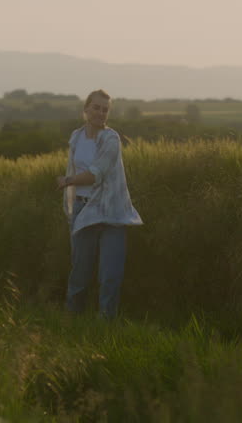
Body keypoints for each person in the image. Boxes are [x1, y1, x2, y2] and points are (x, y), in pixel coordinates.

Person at [56, 89, 143, 318]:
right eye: (96, 107)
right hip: (83, 209)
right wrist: (71, 195)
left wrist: (67, 181)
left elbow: (96, 174)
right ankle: (71, 320)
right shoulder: (76, 137)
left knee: (110, 276)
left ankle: (105, 327)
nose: (100, 113)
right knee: (80, 273)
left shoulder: (111, 139)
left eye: (105, 110)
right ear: (86, 109)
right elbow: (73, 166)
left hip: (111, 212)